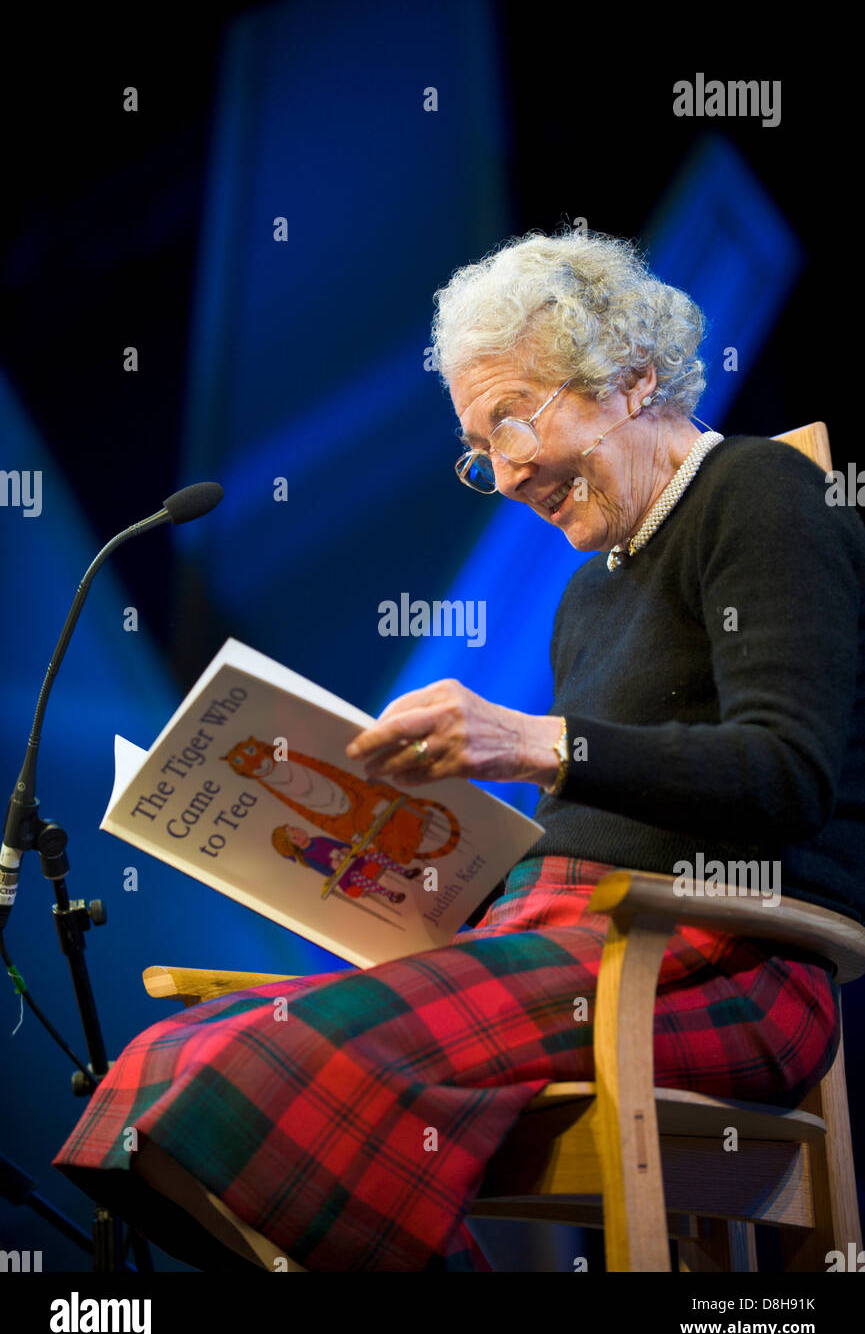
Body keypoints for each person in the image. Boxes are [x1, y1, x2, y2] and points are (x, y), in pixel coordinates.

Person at [52, 228, 865, 1272]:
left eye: (513, 420)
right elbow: (610, 800)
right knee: (159, 1068)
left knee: (278, 1067)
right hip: (576, 939)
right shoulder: (588, 595)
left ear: (633, 378)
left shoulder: (755, 492)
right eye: (481, 449)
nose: (507, 469)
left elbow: (785, 775)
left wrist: (536, 740)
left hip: (712, 964)